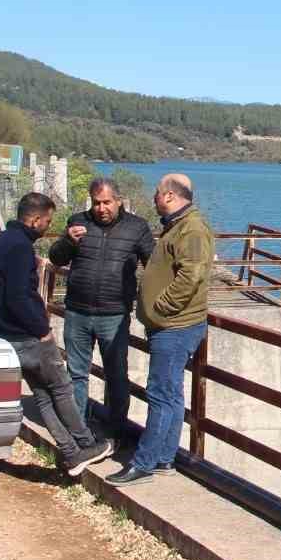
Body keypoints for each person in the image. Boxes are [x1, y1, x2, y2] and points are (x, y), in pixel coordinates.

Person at [0, 191, 114, 477]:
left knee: (42, 394)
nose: (46, 227)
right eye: (47, 221)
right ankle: (86, 444)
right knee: (61, 388)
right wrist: (41, 329)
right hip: (27, 335)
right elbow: (19, 295)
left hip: (5, 333)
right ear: (36, 219)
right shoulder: (19, 248)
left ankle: (70, 453)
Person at [108, 173, 213, 485]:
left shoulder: (192, 229)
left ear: (169, 196)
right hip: (172, 325)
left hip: (175, 326)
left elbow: (191, 275)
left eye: (157, 193)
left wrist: (160, 308)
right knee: (171, 394)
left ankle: (144, 462)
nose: (154, 198)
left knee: (160, 394)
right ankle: (165, 459)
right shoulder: (179, 226)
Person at [47, 176, 156, 437]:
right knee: (76, 375)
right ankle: (78, 433)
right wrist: (67, 241)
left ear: (118, 201)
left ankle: (116, 431)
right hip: (77, 312)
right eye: (97, 203)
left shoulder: (137, 227)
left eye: (107, 202)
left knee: (116, 376)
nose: (101, 208)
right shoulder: (77, 222)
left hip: (115, 315)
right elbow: (56, 258)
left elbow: (154, 265)